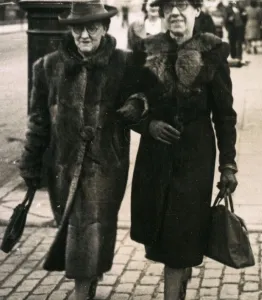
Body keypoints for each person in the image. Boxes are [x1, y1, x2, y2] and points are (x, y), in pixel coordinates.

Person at [18, 1, 147, 299]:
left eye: (91, 28)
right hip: (63, 166)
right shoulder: (48, 67)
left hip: (106, 165)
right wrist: (30, 163)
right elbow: (38, 122)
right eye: (78, 28)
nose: (84, 35)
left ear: (104, 28)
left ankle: (83, 289)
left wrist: (135, 106)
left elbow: (143, 99)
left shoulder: (124, 63)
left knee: (88, 228)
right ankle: (88, 280)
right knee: (80, 229)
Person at [124, 0, 238, 299]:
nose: (175, 12)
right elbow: (127, 103)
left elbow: (225, 114)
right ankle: (181, 272)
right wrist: (147, 125)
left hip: (195, 159)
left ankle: (173, 291)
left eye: (184, 5)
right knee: (163, 234)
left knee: (179, 236)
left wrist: (228, 165)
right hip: (155, 158)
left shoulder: (213, 52)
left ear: (197, 10)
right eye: (168, 6)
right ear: (161, 13)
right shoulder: (146, 50)